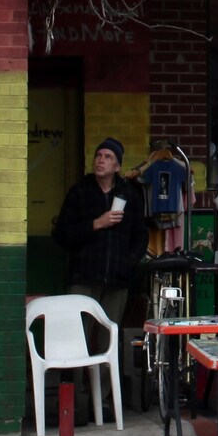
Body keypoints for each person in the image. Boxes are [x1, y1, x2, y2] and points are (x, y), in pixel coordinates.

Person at [54, 136, 148, 329]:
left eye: (108, 156)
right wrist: (96, 224)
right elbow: (62, 234)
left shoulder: (129, 195)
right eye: (98, 155)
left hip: (117, 279)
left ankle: (106, 362)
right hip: (84, 277)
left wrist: (128, 262)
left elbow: (141, 236)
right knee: (79, 333)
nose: (101, 160)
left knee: (110, 335)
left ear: (117, 167)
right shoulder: (79, 192)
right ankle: (82, 362)